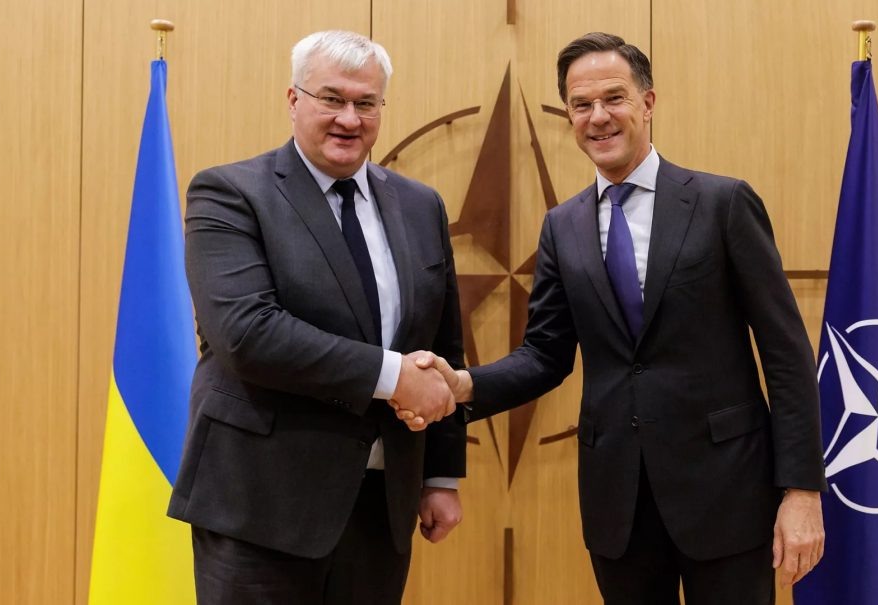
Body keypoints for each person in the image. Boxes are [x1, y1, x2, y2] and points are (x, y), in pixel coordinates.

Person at [407, 32, 826, 605]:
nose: (598, 117)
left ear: (647, 103)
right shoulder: (563, 227)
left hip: (728, 492)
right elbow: (544, 355)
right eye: (581, 104)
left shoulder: (722, 204)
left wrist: (802, 490)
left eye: (614, 98)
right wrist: (462, 385)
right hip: (618, 504)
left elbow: (786, 354)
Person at [167, 30, 466, 605]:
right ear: (293, 99)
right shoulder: (230, 193)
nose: (349, 119)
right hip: (260, 505)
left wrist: (439, 476)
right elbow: (247, 334)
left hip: (381, 505)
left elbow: (442, 346)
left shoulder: (420, 205)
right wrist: (394, 377)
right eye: (332, 99)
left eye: (366, 103)